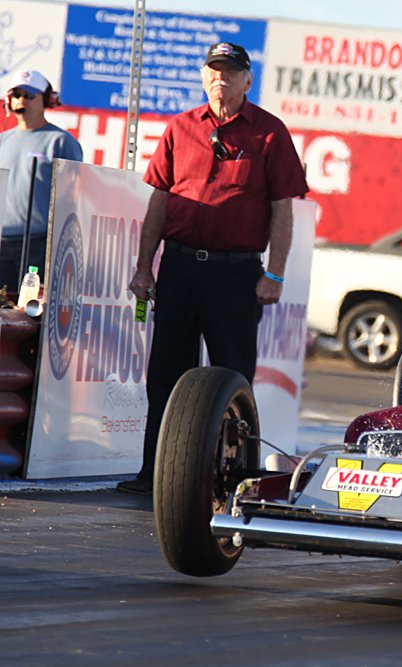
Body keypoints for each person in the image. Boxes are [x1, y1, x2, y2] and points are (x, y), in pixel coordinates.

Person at [116, 42, 308, 494]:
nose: (221, 78)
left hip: (235, 275)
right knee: (165, 375)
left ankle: (236, 476)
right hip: (180, 268)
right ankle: (155, 473)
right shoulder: (180, 127)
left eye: (231, 71)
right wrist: (144, 267)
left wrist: (275, 273)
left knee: (233, 376)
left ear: (247, 80)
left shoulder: (270, 132)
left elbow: (282, 210)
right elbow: (159, 201)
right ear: (204, 77)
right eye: (214, 70)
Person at [0, 69, 82, 292]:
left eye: (29, 95)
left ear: (45, 100)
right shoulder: (3, 140)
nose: (21, 101)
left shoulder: (61, 141)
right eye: (16, 95)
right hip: (3, 242)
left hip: (39, 243)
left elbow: (74, 195)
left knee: (31, 306)